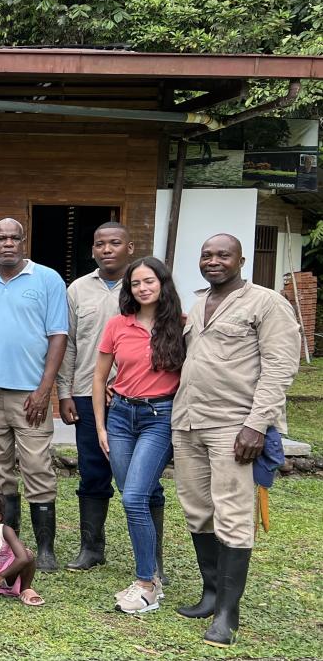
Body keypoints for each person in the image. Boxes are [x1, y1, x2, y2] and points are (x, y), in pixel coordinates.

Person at [171, 234, 299, 647]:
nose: (213, 261)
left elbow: (280, 368)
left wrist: (257, 424)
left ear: (241, 259)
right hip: (188, 421)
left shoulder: (266, 303)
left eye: (223, 255)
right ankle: (210, 594)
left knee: (233, 513)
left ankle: (228, 611)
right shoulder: (196, 302)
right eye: (206, 255)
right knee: (197, 510)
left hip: (234, 425)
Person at [0, 218, 68, 572]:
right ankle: (6, 540)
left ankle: (45, 549)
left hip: (30, 393)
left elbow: (58, 336)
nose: (8, 243)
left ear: (24, 242)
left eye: (14, 238)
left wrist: (44, 389)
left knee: (37, 467)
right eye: (1, 238)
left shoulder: (47, 279)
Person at [92, 256, 182, 614]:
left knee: (133, 498)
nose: (143, 288)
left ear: (162, 283)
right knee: (140, 494)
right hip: (120, 418)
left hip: (160, 417)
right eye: (136, 283)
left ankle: (146, 584)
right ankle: (153, 570)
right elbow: (100, 378)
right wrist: (101, 426)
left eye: (149, 281)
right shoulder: (118, 325)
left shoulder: (181, 326)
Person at [56, 222, 135, 573]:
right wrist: (65, 392)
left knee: (140, 477)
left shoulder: (145, 284)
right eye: (100, 244)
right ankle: (92, 547)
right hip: (88, 394)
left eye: (115, 243)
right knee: (92, 471)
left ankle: (150, 556)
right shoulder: (77, 290)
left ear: (129, 248)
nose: (107, 249)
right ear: (92, 250)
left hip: (136, 395)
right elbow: (68, 344)